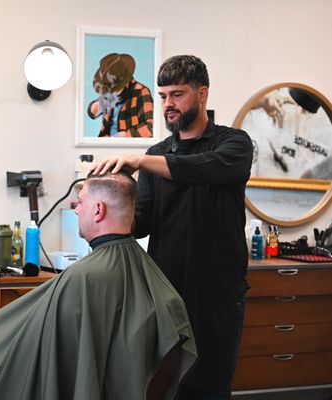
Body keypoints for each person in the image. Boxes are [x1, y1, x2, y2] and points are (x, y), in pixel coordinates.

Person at [0, 171, 196, 400]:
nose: (76, 209)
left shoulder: (83, 277)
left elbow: (31, 354)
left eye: (80, 203)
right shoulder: (149, 272)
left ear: (98, 210)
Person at [92, 55, 253, 399]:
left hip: (218, 298)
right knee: (163, 390)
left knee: (208, 390)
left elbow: (202, 168)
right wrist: (102, 210)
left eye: (177, 94)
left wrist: (141, 160)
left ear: (203, 93)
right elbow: (142, 221)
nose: (167, 104)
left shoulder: (233, 144)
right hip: (166, 298)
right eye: (163, 95)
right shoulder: (157, 152)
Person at [88, 53, 154, 137]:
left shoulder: (141, 91)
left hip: (128, 146)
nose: (113, 92)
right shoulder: (110, 94)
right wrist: (98, 105)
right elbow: (91, 113)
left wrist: (122, 137)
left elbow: (150, 128)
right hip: (105, 145)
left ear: (125, 82)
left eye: (117, 88)